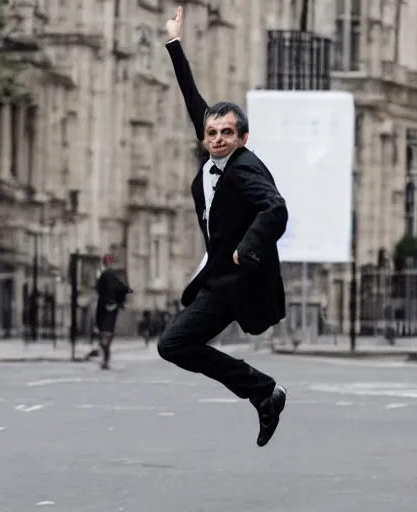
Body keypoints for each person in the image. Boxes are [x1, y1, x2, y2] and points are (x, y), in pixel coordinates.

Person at [157, 7, 288, 447]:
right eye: (211, 132)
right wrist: (174, 42)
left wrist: (244, 251)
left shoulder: (243, 169)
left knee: (173, 344)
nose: (216, 139)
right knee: (175, 345)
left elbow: (276, 209)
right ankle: (264, 393)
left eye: (227, 133)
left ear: (242, 138)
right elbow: (191, 95)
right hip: (222, 276)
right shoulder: (214, 154)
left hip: (236, 278)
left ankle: (264, 391)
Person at [93, 255, 131, 369]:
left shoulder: (103, 274)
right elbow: (124, 288)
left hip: (104, 305)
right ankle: (106, 356)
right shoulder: (116, 275)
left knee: (102, 330)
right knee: (108, 330)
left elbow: (99, 288)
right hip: (113, 305)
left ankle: (105, 355)